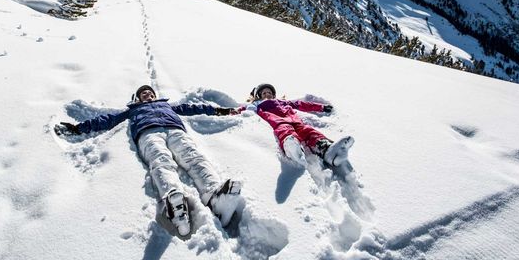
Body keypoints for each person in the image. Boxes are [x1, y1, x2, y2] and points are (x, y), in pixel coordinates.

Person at [54, 84, 242, 236]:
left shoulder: (167, 105)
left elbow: (193, 108)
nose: (148, 95)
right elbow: (106, 120)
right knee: (161, 161)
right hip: (148, 133)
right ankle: (175, 203)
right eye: (144, 93)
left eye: (150, 93)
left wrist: (221, 112)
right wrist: (78, 129)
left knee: (194, 158)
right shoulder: (132, 110)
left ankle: (215, 197)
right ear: (138, 98)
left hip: (175, 130)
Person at [238, 83, 354, 167]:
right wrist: (225, 111)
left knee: (309, 131)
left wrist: (321, 107)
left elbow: (302, 104)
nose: (267, 94)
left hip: (296, 122)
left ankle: (327, 150)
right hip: (279, 122)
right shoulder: (257, 104)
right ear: (259, 96)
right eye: (264, 93)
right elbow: (242, 109)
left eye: (269, 92)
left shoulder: (283, 102)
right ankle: (292, 147)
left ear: (273, 94)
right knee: (286, 131)